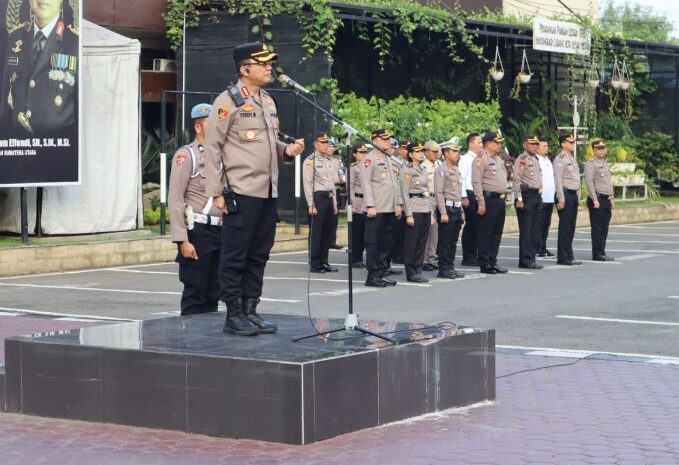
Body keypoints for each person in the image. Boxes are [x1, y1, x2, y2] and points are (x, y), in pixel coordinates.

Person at [205, 42, 305, 336]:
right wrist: (216, 192)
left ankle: (250, 310)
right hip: (240, 190)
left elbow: (268, 143)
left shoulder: (268, 101)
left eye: (270, 63)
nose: (269, 67)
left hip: (267, 191)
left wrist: (287, 151)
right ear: (244, 69)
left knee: (259, 254)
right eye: (263, 63)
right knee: (235, 255)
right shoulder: (228, 101)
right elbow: (213, 148)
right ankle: (233, 314)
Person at [168, 104, 223, 316]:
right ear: (198, 127)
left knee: (214, 293)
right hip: (198, 232)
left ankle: (207, 342)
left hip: (220, 232)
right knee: (195, 292)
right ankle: (189, 340)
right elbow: (175, 199)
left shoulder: (222, 157)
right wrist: (182, 240)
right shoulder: (187, 156)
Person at [1, 0, 79, 135]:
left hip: (58, 150)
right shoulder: (15, 38)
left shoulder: (75, 43)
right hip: (20, 147)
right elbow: (4, 103)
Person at [360, 128, 403, 287]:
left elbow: (395, 184)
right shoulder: (368, 159)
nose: (388, 142)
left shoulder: (388, 158)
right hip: (376, 208)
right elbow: (366, 184)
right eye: (384, 139)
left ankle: (382, 271)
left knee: (386, 242)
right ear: (374, 140)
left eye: (388, 139)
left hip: (389, 208)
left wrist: (398, 203)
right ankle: (372, 275)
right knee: (373, 243)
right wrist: (370, 205)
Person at [472, 132, 508, 275]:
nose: (498, 145)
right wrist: (481, 202)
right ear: (488, 144)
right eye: (496, 143)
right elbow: (476, 182)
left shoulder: (498, 159)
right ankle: (485, 263)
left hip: (500, 200)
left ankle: (493, 261)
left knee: (497, 233)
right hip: (488, 199)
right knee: (485, 233)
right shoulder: (481, 159)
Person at [303, 133, 339, 273]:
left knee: (327, 232)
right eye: (322, 143)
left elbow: (333, 184)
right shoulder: (310, 161)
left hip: (329, 198)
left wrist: (335, 202)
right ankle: (315, 262)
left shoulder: (330, 160)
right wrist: (310, 204)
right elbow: (308, 183)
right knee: (317, 232)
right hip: (318, 198)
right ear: (315, 144)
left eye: (326, 143)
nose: (325, 145)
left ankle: (324, 261)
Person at [399, 142, 432, 283]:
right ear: (411, 154)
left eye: (422, 151)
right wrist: (409, 214)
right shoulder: (406, 169)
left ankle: (418, 270)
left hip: (424, 208)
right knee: (411, 243)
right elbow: (404, 193)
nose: (421, 153)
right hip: (414, 208)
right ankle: (411, 272)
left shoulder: (423, 169)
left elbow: (427, 191)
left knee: (421, 242)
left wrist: (430, 210)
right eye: (417, 151)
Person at [435, 137, 465, 279]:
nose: (457, 153)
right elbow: (439, 192)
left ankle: (450, 266)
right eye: (454, 151)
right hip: (447, 208)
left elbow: (458, 192)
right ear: (446, 153)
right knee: (445, 241)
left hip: (457, 208)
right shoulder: (441, 170)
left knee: (453, 241)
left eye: (457, 151)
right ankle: (443, 269)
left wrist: (462, 212)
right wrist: (443, 212)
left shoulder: (455, 169)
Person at [512, 135, 543, 269]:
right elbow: (517, 180)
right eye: (532, 144)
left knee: (535, 230)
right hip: (526, 196)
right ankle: (525, 260)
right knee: (526, 230)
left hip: (536, 195)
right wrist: (519, 198)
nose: (535, 146)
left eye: (537, 144)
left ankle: (531, 258)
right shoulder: (522, 159)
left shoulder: (535, 159)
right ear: (525, 145)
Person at [553, 134, 583, 266]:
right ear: (563, 144)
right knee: (565, 227)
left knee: (571, 227)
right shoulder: (560, 159)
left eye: (573, 142)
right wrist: (561, 198)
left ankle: (569, 255)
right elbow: (558, 180)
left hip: (573, 195)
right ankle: (563, 256)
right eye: (570, 142)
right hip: (565, 194)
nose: (572, 144)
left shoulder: (571, 158)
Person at [584, 139, 615, 261]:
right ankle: (597, 253)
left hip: (606, 199)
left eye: (603, 148)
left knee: (604, 228)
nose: (602, 150)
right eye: (599, 148)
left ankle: (602, 251)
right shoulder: (591, 163)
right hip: (597, 200)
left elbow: (608, 182)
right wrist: (594, 199)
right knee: (597, 228)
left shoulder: (604, 163)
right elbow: (589, 182)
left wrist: (611, 196)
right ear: (593, 150)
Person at [459, 133, 482, 266]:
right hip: (470, 193)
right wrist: (464, 196)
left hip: (478, 193)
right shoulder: (466, 159)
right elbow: (462, 178)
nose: (481, 145)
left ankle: (476, 253)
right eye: (478, 142)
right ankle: (468, 256)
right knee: (471, 226)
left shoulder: (480, 158)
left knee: (479, 226)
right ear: (471, 144)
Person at [422, 140, 441, 271]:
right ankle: (423, 259)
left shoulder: (438, 165)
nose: (437, 154)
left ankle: (431, 257)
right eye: (434, 152)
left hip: (437, 199)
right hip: (426, 199)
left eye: (438, 151)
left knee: (434, 231)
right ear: (426, 152)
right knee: (426, 231)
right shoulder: (423, 166)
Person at [389, 139, 409, 265]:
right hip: (396, 199)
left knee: (403, 230)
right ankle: (396, 255)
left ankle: (401, 253)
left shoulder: (407, 163)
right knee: (396, 231)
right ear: (400, 149)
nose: (408, 151)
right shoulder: (394, 162)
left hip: (406, 199)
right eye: (406, 149)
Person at [536, 137, 556, 258]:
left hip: (550, 197)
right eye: (544, 146)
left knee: (546, 225)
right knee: (538, 224)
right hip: (541, 197)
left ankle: (543, 247)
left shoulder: (548, 160)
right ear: (537, 148)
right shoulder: (536, 160)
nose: (546, 148)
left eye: (547, 146)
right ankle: (537, 247)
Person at [350, 143, 368, 267]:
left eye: (365, 152)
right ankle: (355, 258)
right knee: (357, 232)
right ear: (355, 154)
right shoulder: (353, 167)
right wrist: (352, 204)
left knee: (365, 232)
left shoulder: (367, 166)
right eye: (361, 152)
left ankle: (360, 257)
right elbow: (350, 186)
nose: (363, 154)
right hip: (357, 200)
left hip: (367, 202)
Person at [327, 138, 343, 250]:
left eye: (333, 147)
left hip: (336, 190)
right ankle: (326, 240)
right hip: (326, 191)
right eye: (329, 146)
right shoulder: (321, 160)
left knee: (334, 217)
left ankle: (332, 240)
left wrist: (341, 180)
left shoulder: (336, 161)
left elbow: (341, 175)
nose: (331, 149)